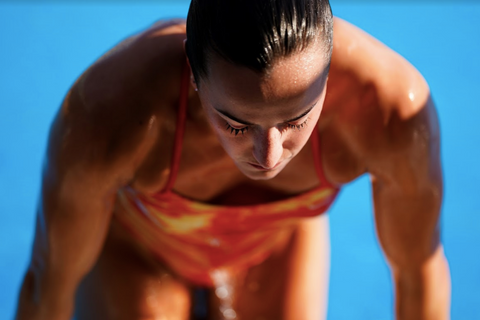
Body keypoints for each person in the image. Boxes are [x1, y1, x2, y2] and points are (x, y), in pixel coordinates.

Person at [15, 0, 451, 319]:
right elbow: (49, 283)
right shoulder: (109, 120)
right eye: (238, 125)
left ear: (328, 69)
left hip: (276, 250)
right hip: (139, 256)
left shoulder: (390, 114)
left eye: (297, 119)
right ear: (194, 74)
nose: (269, 155)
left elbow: (417, 272)